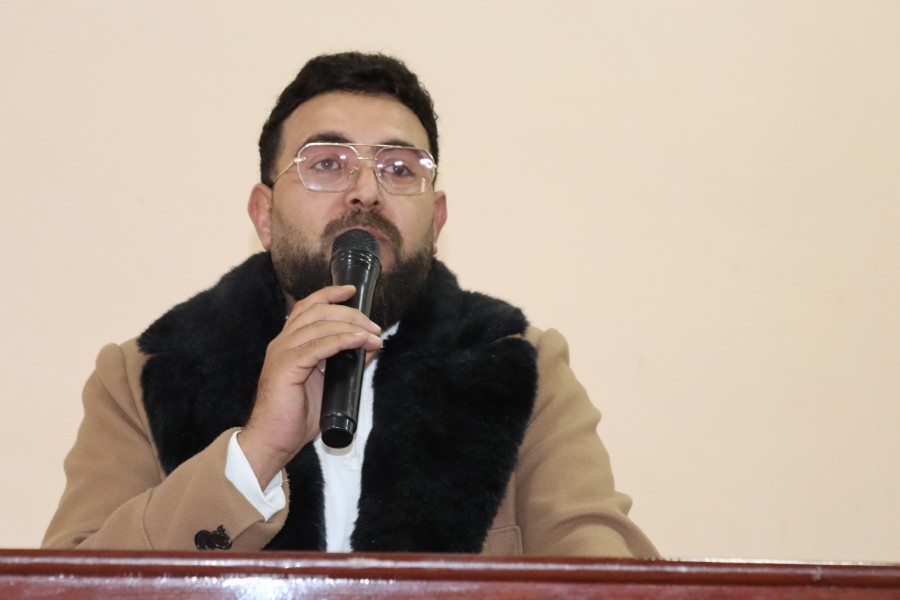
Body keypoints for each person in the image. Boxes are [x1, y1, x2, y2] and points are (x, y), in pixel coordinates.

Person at [42, 52, 658, 557]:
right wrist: (254, 454)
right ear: (264, 214)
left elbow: (606, 574)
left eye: (399, 169)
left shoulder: (520, 365)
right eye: (327, 164)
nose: (366, 191)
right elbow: (70, 586)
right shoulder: (143, 375)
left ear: (436, 220)